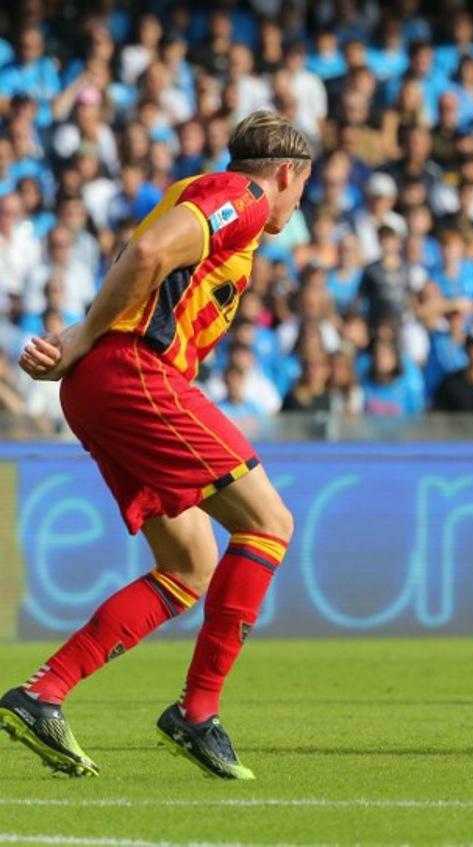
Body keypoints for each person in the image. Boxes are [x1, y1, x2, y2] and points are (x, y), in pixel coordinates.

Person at [0, 111, 312, 779]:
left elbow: (143, 261)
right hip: (135, 371)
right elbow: (144, 256)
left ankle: (42, 692)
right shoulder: (246, 197)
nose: (295, 203)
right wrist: (84, 335)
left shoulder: (199, 192)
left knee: (191, 562)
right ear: (287, 174)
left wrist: (84, 340)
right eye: (300, 190)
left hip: (101, 384)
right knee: (269, 523)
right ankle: (198, 711)